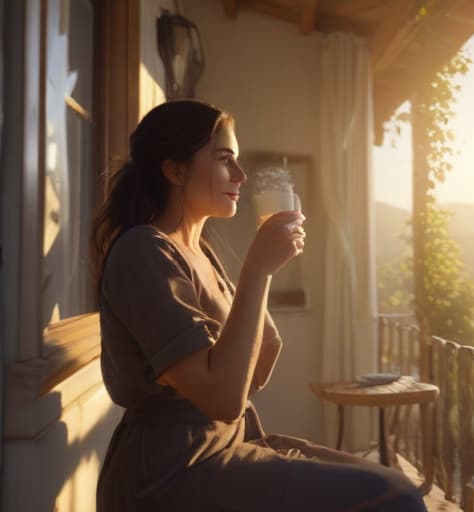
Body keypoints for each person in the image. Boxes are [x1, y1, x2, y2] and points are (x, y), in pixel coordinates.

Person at [92, 99, 427, 511]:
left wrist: (265, 268)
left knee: (393, 483)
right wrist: (258, 269)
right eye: (224, 160)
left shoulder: (201, 253)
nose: (240, 175)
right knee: (396, 499)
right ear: (175, 169)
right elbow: (224, 399)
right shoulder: (143, 251)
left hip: (230, 442)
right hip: (173, 469)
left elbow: (260, 362)